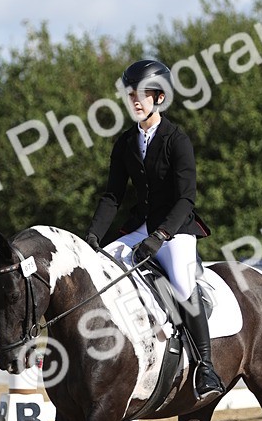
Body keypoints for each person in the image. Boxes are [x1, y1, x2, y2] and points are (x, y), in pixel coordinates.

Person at [85, 58, 225, 402]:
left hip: (175, 230)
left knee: (182, 282)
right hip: (140, 227)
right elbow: (112, 196)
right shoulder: (124, 143)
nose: (135, 100)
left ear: (159, 98)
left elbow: (186, 199)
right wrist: (91, 238)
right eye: (130, 94)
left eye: (142, 95)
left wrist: (160, 236)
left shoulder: (177, 140)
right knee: (101, 270)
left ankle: (206, 367)